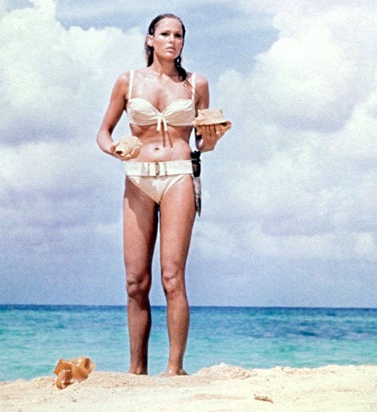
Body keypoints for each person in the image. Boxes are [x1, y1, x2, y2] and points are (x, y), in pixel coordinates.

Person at [96, 13, 228, 376]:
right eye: (166, 34)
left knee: (172, 277)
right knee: (135, 282)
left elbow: (203, 140)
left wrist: (212, 140)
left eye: (179, 35)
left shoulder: (196, 84)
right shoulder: (128, 80)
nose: (172, 40)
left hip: (178, 177)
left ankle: (174, 369)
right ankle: (136, 370)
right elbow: (103, 132)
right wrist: (114, 149)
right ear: (150, 38)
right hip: (137, 178)